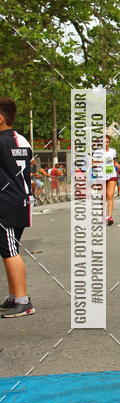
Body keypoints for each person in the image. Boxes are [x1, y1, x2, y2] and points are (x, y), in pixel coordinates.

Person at [0, 98, 35, 317]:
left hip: (5, 201)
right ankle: (14, 296)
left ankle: (23, 301)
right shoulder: (22, 139)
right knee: (10, 249)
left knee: (10, 251)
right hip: (21, 200)